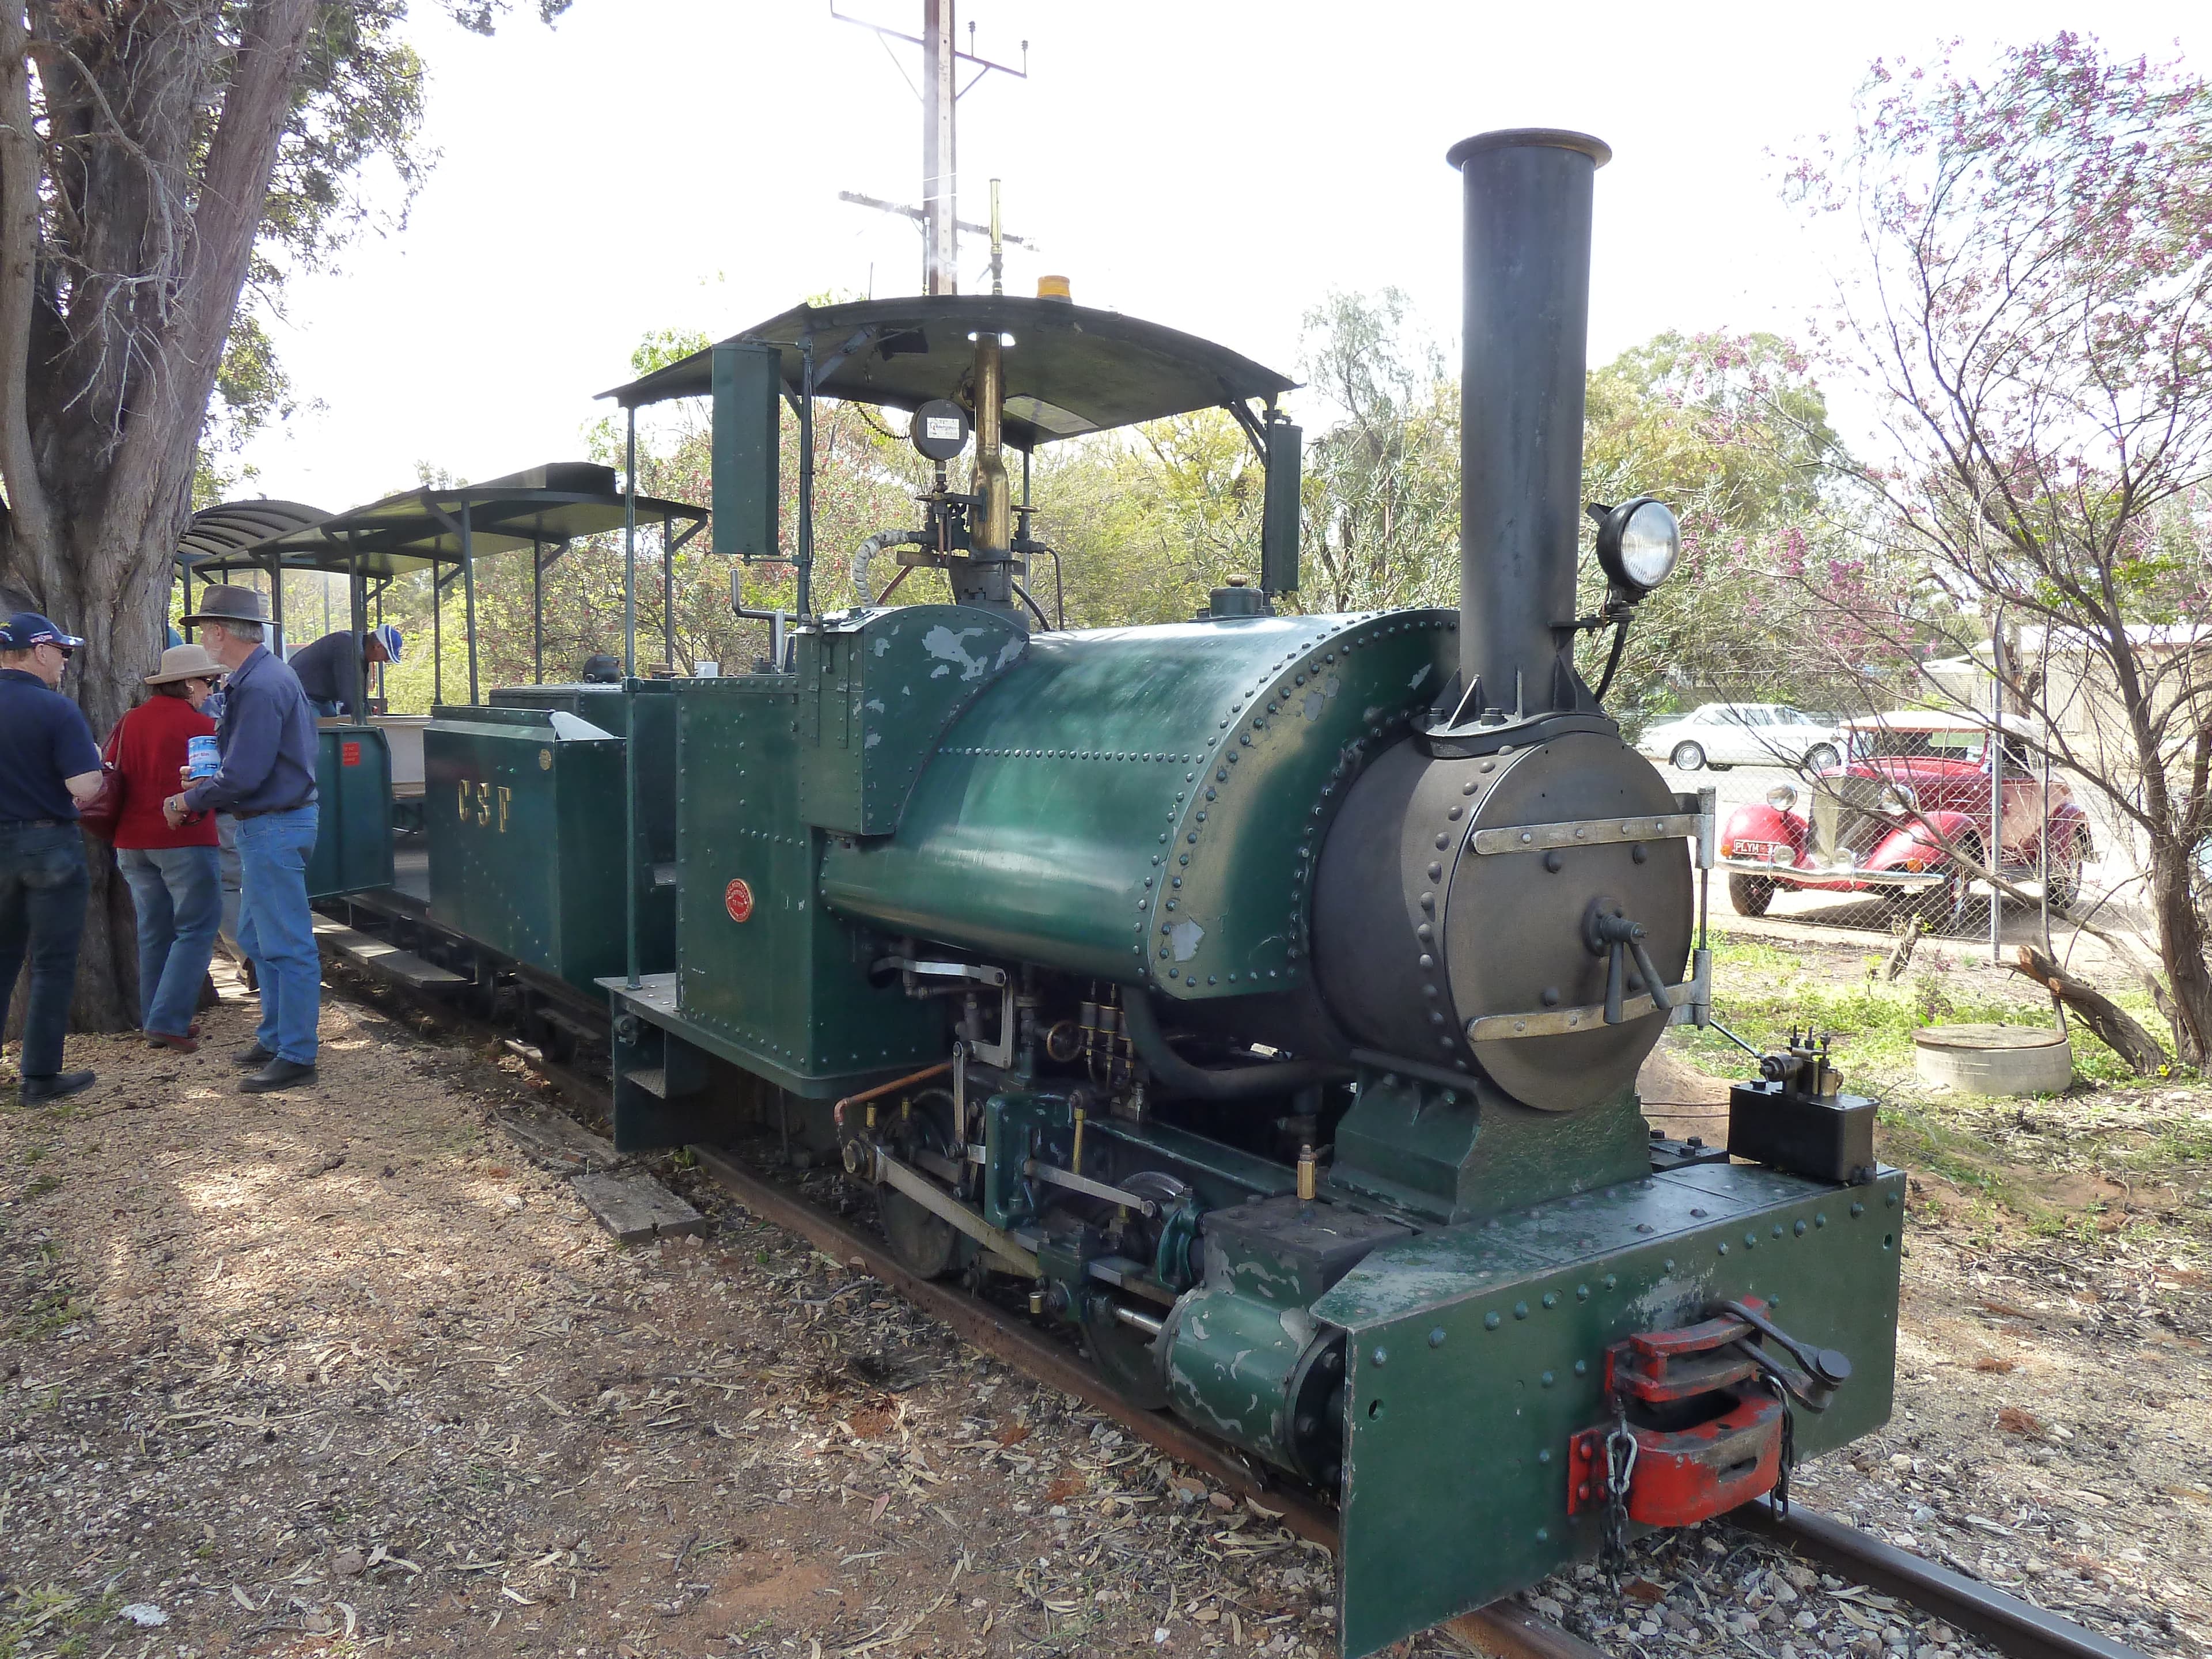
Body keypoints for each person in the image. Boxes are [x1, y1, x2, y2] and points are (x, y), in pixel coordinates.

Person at [162, 586, 321, 1094]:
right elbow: (249, 767)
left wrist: (188, 800)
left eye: (203, 630)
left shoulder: (258, 686)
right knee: (258, 937)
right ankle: (276, 1037)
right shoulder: (264, 677)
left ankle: (297, 1053)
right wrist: (207, 783)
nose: (202, 640)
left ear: (218, 631)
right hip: (274, 821)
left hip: (273, 823)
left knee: (286, 944)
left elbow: (245, 774)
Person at [0, 612, 101, 1103]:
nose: (64, 662)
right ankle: (39, 1077)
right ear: (39, 651)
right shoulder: (56, 710)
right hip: (47, 843)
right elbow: (85, 785)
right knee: (52, 962)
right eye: (62, 652)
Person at [113, 643, 226, 1052]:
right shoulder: (201, 725)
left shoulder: (130, 721)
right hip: (184, 837)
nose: (211, 690)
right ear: (189, 684)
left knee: (153, 931)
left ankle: (154, 1015)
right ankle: (167, 1020)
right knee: (196, 928)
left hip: (131, 841)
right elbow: (210, 785)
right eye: (208, 681)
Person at [290, 622, 402, 717]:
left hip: (321, 699)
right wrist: (365, 715)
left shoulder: (359, 648)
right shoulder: (349, 646)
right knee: (318, 731)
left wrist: (366, 710)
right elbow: (350, 695)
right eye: (387, 655)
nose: (385, 660)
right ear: (378, 646)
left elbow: (357, 696)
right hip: (301, 695)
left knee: (333, 725)